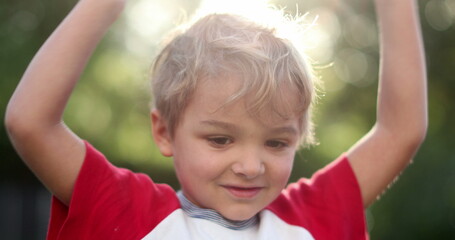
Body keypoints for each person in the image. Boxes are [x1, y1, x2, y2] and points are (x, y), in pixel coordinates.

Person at [5, 0, 427, 239]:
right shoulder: (128, 214)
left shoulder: (308, 221)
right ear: (164, 132)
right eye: (221, 140)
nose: (249, 166)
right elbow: (30, 123)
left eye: (276, 143)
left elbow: (399, 130)